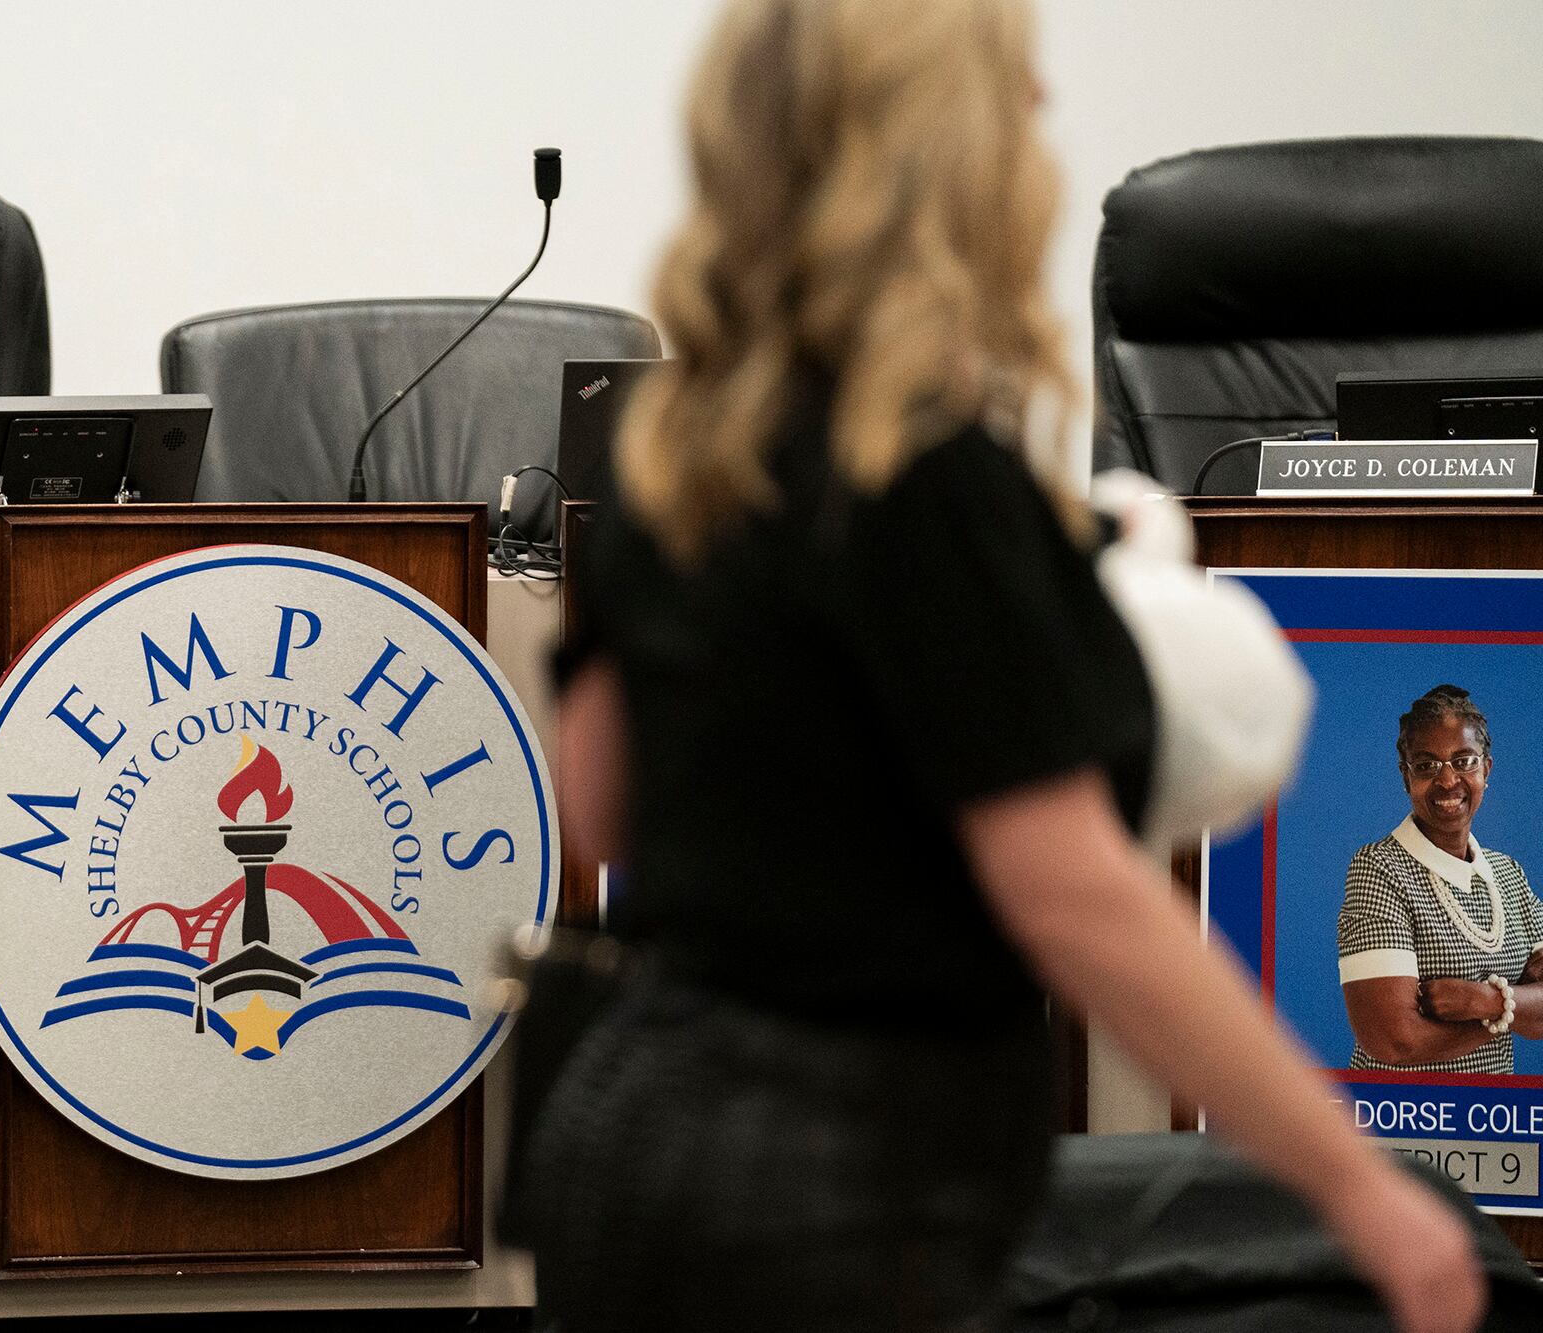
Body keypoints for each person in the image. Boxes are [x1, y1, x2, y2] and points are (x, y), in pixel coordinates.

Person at [512, 2, 1487, 1330]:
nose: (1037, 119)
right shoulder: (918, 473)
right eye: (1016, 91)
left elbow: (604, 804)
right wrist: (1358, 1188)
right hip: (831, 1194)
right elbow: (1077, 897)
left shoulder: (672, 448)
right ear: (942, 151)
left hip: (626, 1146)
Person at [1341, 685, 1543, 1074]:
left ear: (1486, 768)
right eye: (1427, 765)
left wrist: (1487, 1001)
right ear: (1407, 776)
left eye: (1464, 760)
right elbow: (1394, 1040)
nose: (1448, 780)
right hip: (1402, 1123)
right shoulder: (1379, 869)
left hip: (1489, 1124)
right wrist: (1515, 1011)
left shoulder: (1508, 875)